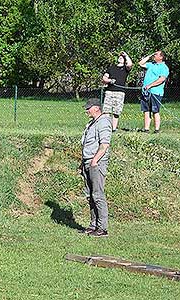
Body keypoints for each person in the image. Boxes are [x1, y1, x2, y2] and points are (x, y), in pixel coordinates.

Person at [79, 98, 112, 237]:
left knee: (98, 195)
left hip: (96, 163)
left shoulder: (103, 122)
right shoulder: (92, 123)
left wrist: (94, 160)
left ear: (97, 108)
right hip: (88, 161)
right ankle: (93, 225)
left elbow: (104, 145)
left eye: (89, 108)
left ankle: (102, 228)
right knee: (90, 196)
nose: (86, 110)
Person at [138, 50, 169, 133]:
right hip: (146, 92)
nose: (154, 56)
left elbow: (162, 79)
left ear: (161, 57)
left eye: (156, 54)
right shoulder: (151, 64)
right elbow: (140, 63)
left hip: (156, 92)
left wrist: (150, 85)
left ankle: (156, 130)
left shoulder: (164, 67)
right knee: (146, 110)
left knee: (155, 111)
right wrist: (149, 55)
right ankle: (146, 129)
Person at [102, 51, 133, 132]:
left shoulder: (126, 68)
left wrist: (126, 55)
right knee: (106, 111)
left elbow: (130, 64)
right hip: (109, 91)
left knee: (116, 112)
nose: (120, 57)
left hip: (120, 92)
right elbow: (104, 78)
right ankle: (106, 127)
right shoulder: (111, 67)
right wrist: (109, 80)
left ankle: (114, 129)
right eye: (120, 56)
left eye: (122, 57)